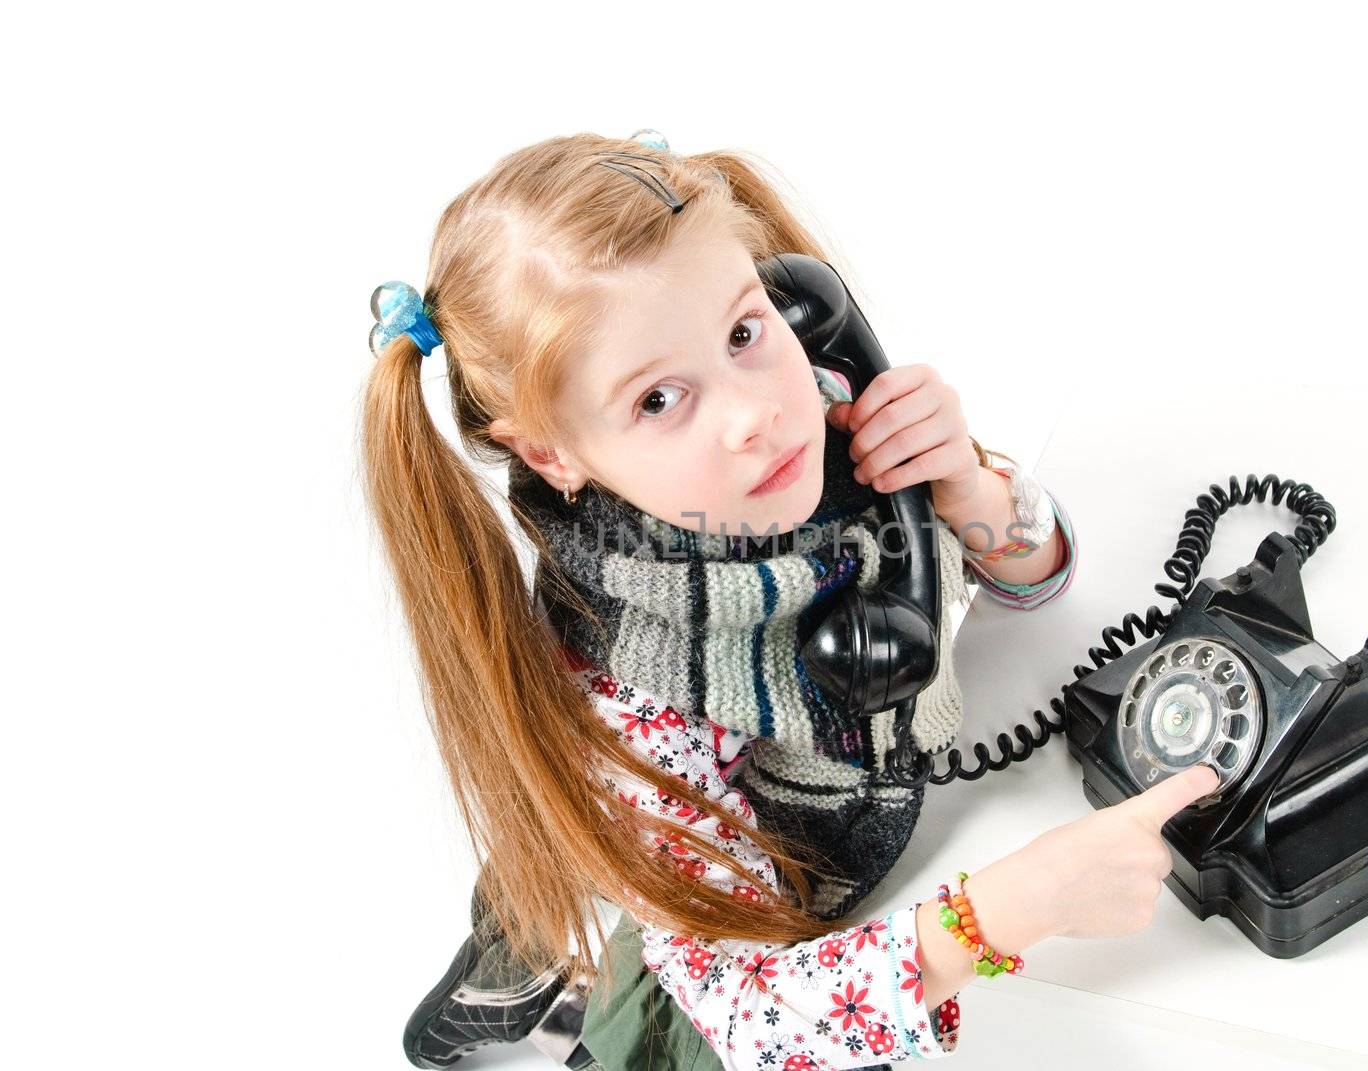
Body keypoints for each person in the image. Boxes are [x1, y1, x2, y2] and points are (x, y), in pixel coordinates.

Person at [362, 130, 1220, 1071]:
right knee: (612, 966)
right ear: (551, 455)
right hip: (741, 927)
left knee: (575, 863)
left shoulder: (827, 412)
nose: (755, 412)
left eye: (742, 331)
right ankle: (518, 968)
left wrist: (967, 493)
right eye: (659, 399)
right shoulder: (625, 706)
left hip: (739, 834)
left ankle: (533, 938)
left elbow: (1041, 574)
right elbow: (749, 1018)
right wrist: (1012, 907)